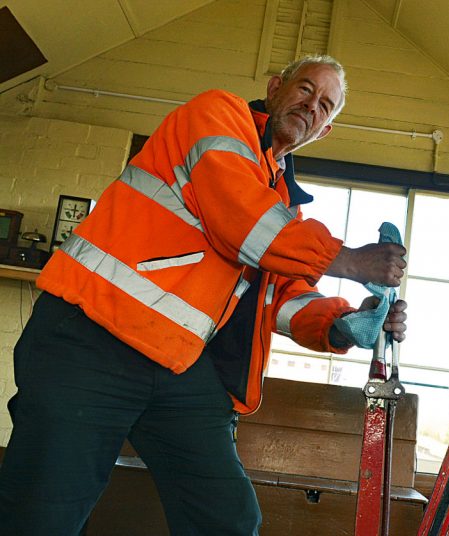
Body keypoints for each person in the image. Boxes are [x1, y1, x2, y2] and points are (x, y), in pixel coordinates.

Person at [0, 55, 408, 535]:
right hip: (91, 336)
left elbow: (277, 298)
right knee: (42, 513)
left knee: (227, 518)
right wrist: (352, 260)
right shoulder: (216, 115)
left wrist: (342, 322)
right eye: (304, 89)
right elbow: (242, 219)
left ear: (324, 132)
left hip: (177, 364)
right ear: (276, 88)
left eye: (325, 106)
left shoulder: (280, 206)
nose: (311, 106)